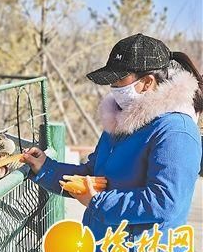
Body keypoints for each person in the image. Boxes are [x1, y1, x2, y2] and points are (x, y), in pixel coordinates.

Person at [21, 33, 202, 251]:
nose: (113, 87)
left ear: (146, 82)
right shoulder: (121, 122)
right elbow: (93, 177)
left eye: (119, 79)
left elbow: (165, 202)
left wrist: (98, 203)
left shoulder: (175, 130)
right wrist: (45, 169)